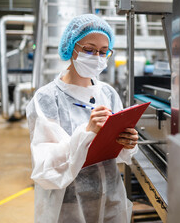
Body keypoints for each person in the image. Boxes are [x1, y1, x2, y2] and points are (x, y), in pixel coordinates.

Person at [26, 14, 139, 223]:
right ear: (71, 48)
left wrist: (128, 142)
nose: (97, 57)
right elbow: (45, 166)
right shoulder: (47, 98)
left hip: (111, 197)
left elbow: (119, 152)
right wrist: (87, 132)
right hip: (68, 204)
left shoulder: (108, 93)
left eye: (103, 52)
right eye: (89, 50)